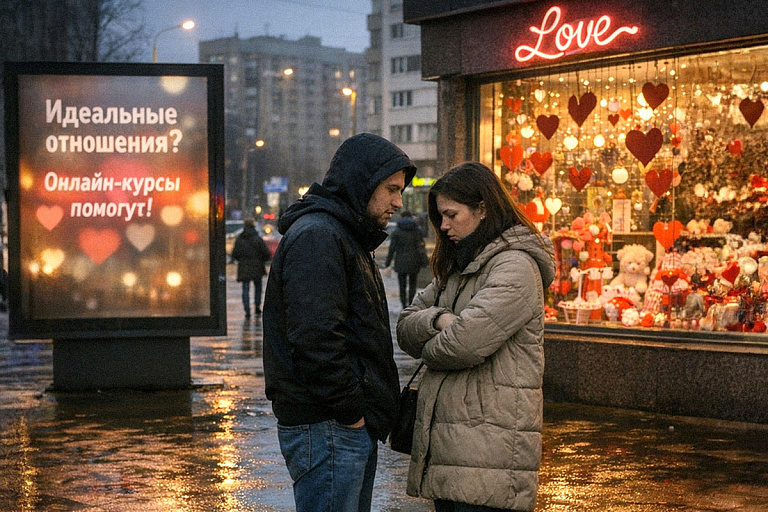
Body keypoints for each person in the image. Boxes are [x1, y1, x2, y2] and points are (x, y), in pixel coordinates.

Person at [262, 133, 417, 512]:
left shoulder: (342, 234)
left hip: (336, 423)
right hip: (329, 424)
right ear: (361, 183)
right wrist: (351, 412)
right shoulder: (320, 235)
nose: (398, 201)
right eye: (391, 189)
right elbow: (316, 338)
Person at [396, 162, 556, 512]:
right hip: (453, 452)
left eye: (451, 215)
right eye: (440, 217)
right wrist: (439, 319)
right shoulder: (459, 266)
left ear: (482, 209)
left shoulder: (514, 266)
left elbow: (463, 345)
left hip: (489, 456)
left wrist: (434, 343)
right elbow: (405, 326)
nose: (444, 226)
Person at [385, 210, 427, 309]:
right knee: (413, 284)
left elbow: (392, 248)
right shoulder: (417, 230)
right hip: (414, 260)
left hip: (400, 261)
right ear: (411, 217)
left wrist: (388, 262)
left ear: (401, 217)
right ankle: (411, 303)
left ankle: (404, 305)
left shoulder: (397, 231)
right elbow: (421, 245)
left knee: (402, 285)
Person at [231, 218, 271, 318]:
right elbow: (266, 253)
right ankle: (257, 306)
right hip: (257, 267)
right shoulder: (257, 238)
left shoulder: (240, 239)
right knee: (258, 288)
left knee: (245, 288)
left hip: (244, 267)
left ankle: (247, 310)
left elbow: (235, 254)